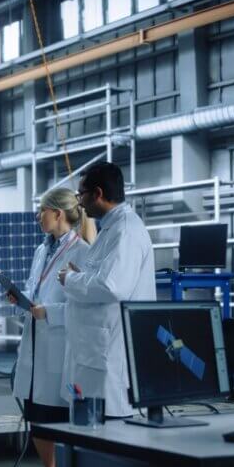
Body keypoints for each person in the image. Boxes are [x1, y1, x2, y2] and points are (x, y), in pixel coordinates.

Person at [7, 187, 94, 467]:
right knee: (36, 414)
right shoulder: (41, 250)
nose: (37, 216)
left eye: (42, 210)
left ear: (57, 213)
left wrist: (50, 313)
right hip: (36, 340)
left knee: (55, 415)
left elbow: (86, 305)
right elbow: (36, 289)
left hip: (60, 343)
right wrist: (22, 299)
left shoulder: (82, 252)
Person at [58, 161, 156, 420]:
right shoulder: (110, 228)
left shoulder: (125, 231)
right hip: (95, 353)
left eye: (81, 194)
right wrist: (81, 275)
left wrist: (70, 279)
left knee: (110, 429)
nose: (79, 202)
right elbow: (106, 277)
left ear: (98, 194)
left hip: (109, 356)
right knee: (88, 425)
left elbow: (112, 287)